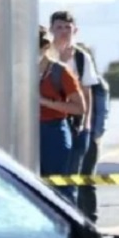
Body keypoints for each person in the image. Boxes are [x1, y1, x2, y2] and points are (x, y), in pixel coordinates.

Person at [49, 11, 101, 191]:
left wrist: (86, 124)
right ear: (51, 30)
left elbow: (87, 91)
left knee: (71, 180)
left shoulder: (81, 57)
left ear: (75, 30)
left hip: (76, 123)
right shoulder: (45, 55)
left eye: (67, 28)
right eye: (59, 27)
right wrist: (60, 62)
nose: (64, 32)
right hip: (51, 123)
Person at [38, 25, 86, 202]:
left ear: (44, 47)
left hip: (53, 132)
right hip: (26, 132)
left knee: (58, 189)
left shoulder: (60, 72)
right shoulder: (18, 72)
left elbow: (79, 107)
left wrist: (45, 102)